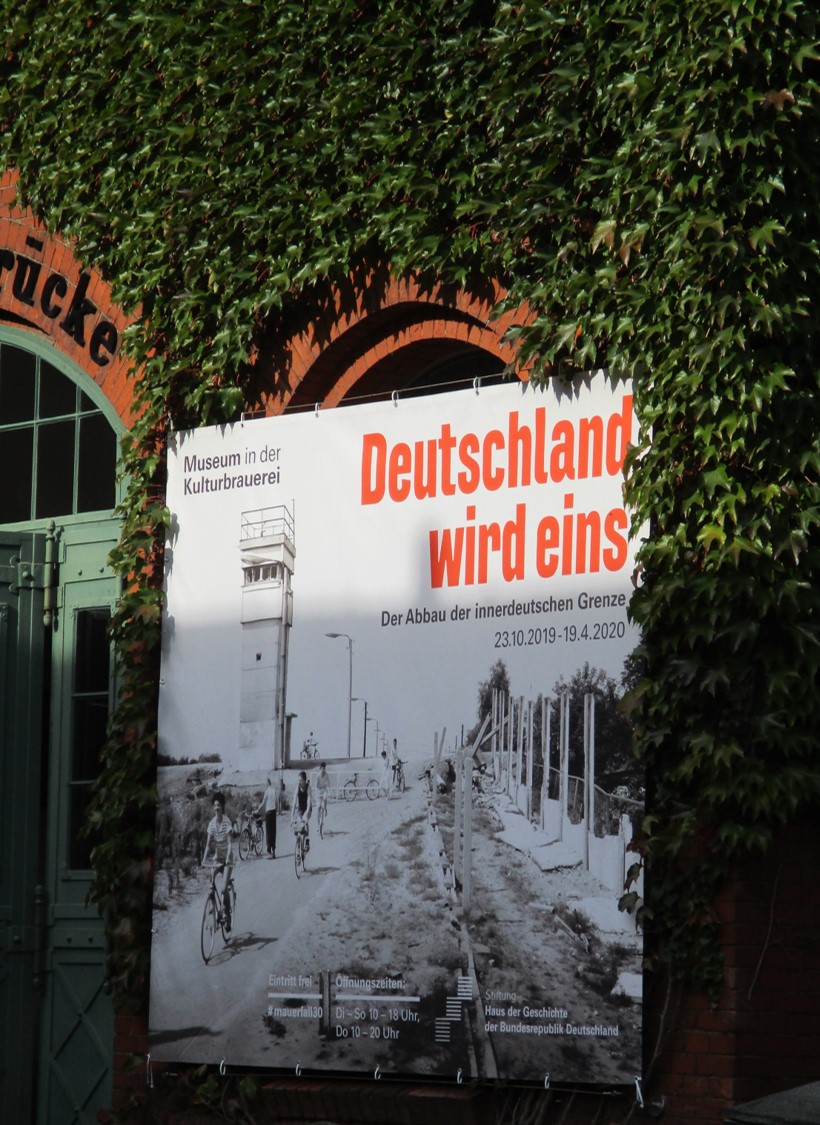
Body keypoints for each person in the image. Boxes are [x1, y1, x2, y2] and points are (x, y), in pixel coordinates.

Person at [202, 793, 235, 932]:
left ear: (222, 807)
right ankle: (213, 907)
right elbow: (208, 845)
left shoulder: (227, 822)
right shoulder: (211, 824)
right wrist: (204, 859)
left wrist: (228, 858)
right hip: (217, 858)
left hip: (227, 859)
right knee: (211, 880)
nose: (217, 808)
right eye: (215, 805)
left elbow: (230, 843)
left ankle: (227, 913)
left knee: (223, 889)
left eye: (219, 805)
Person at [255, 776, 278, 859]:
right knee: (273, 831)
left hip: (268, 812)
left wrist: (257, 810)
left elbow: (263, 803)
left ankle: (269, 852)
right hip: (274, 812)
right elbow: (276, 801)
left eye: (265, 783)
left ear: (267, 783)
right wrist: (276, 811)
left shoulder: (267, 791)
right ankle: (274, 851)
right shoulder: (274, 790)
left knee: (268, 832)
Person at [291, 770, 312, 852]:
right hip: (300, 809)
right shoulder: (297, 788)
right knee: (297, 826)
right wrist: (291, 817)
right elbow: (294, 803)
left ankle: (307, 841)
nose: (299, 782)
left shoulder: (308, 787)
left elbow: (309, 803)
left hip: (307, 809)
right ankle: (298, 846)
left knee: (305, 822)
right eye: (298, 780)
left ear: (304, 780)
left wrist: (306, 814)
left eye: (300, 780)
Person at [315, 761, 330, 827]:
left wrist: (329, 789)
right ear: (320, 768)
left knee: (325, 798)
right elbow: (316, 785)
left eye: (324, 768)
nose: (323, 770)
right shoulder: (318, 775)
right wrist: (316, 792)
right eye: (322, 768)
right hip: (319, 790)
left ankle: (325, 809)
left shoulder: (326, 775)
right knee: (318, 808)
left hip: (324, 789)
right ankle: (318, 824)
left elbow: (328, 783)